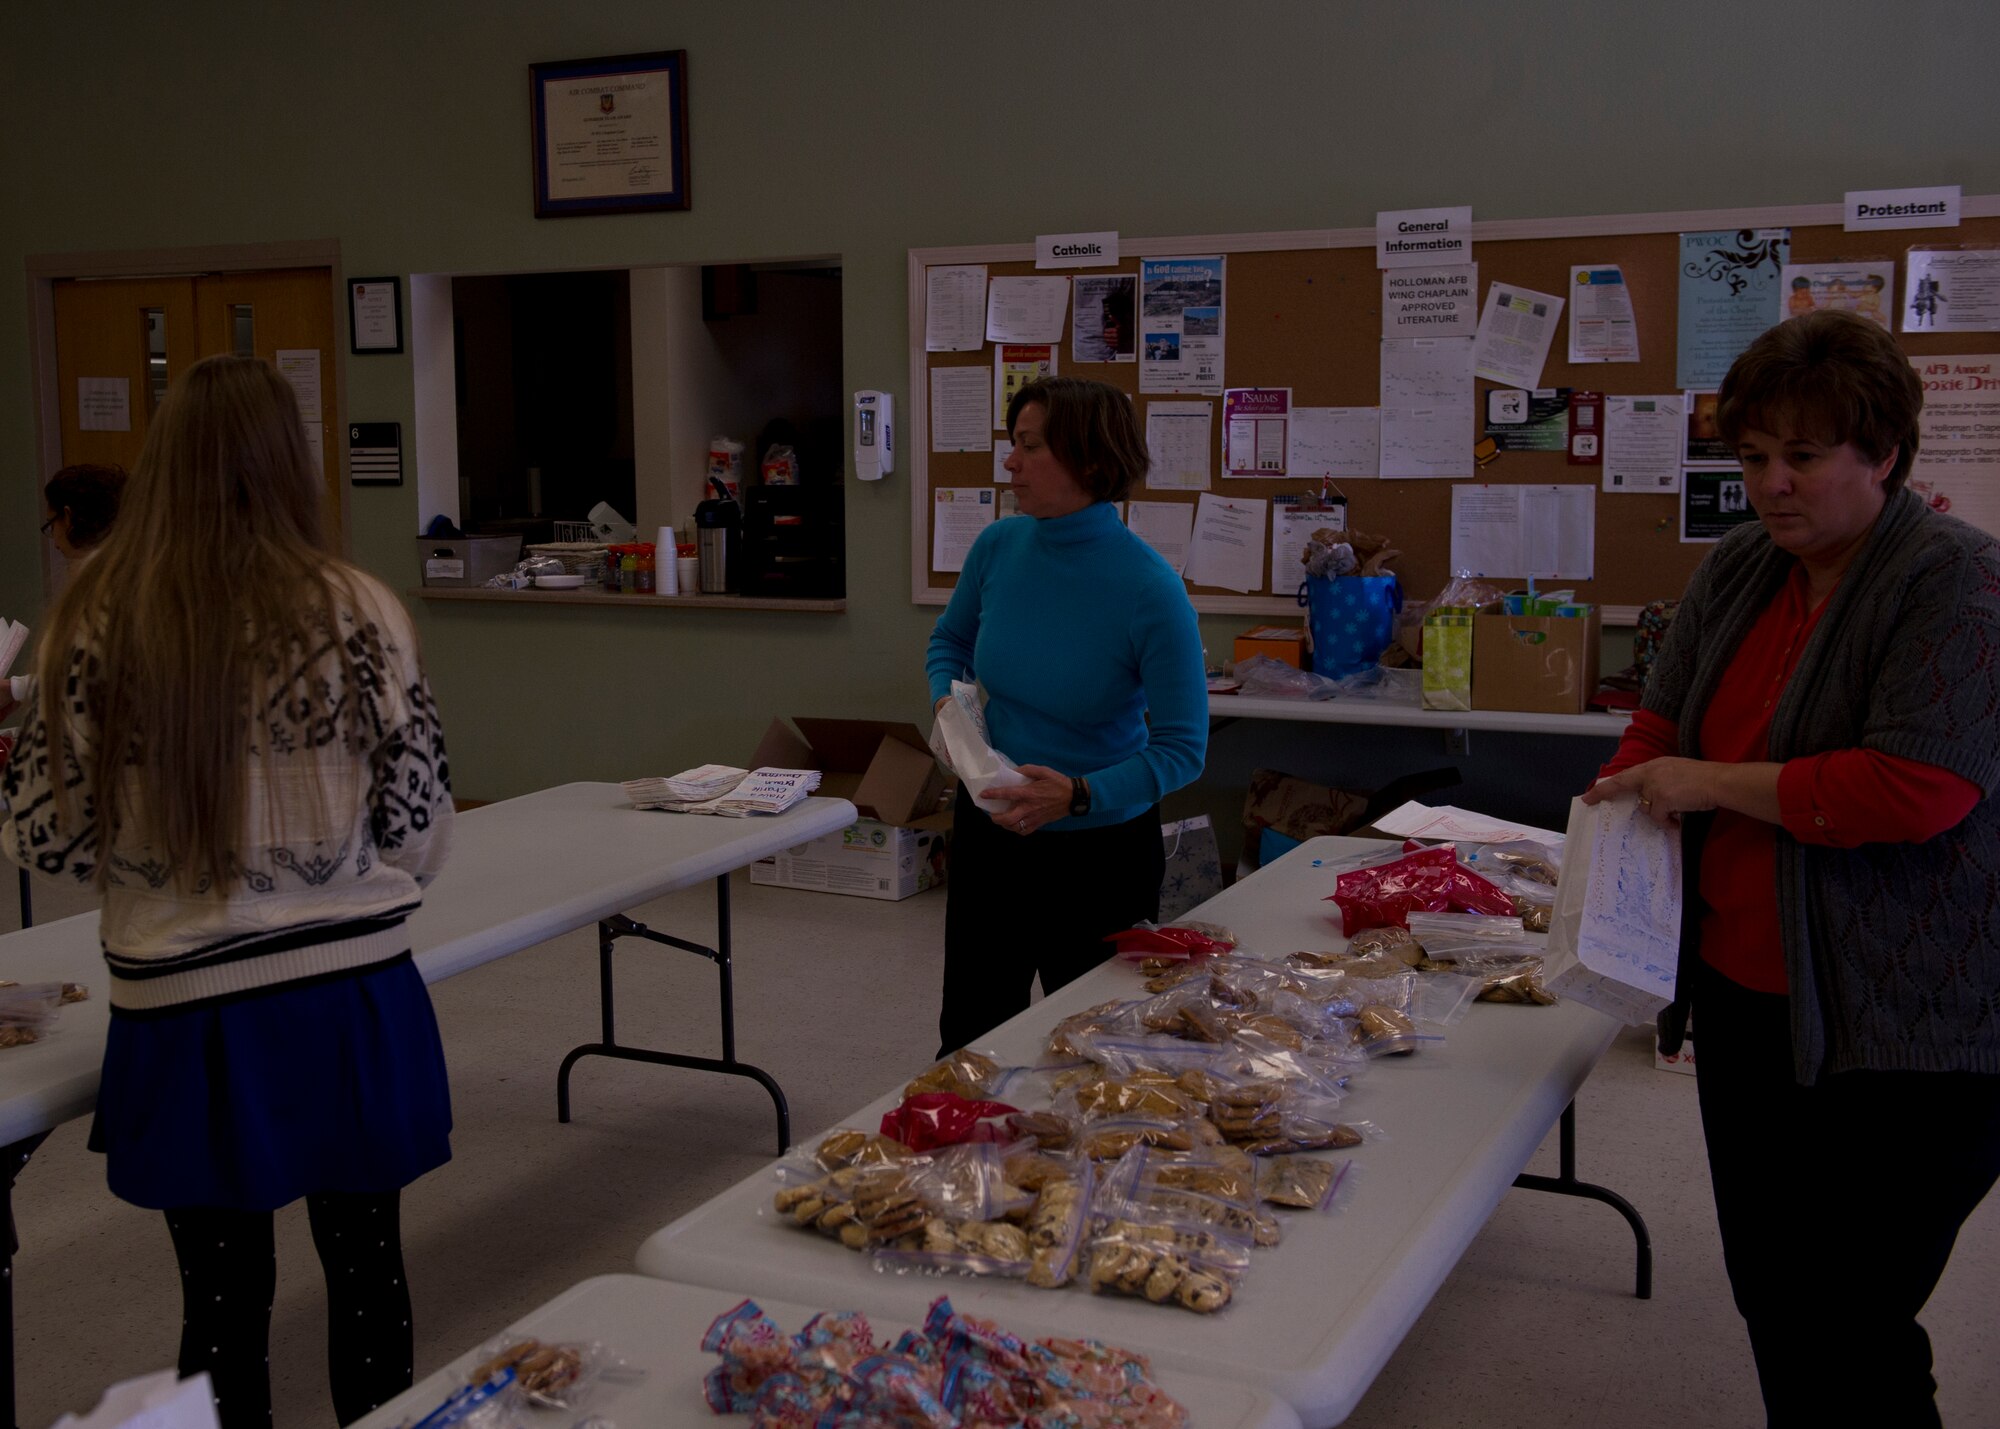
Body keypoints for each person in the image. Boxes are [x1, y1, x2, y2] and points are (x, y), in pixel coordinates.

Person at [0, 355, 455, 1428]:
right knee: (370, 1280)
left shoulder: (89, 618)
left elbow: (40, 841)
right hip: (346, 994)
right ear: (290, 462)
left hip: (185, 1014)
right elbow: (421, 825)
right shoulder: (361, 610)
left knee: (220, 1302)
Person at [1581, 309, 2000, 1427]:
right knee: (1775, 1295)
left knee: (1850, 1314)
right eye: (1752, 456)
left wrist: (1711, 783)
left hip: (1911, 1030)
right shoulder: (1738, 568)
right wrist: (1617, 803)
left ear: (1884, 454)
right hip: (1748, 1004)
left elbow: (1917, 786)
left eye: (1802, 457)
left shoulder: (1954, 582)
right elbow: (1657, 722)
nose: (1771, 484)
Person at [925, 377, 1205, 1056]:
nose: (1011, 463)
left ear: (1090, 461)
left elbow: (1181, 748)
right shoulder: (999, 547)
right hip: (993, 831)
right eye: (1012, 444)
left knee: (1095, 1051)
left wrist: (1078, 794)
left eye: (1029, 446)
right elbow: (950, 643)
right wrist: (952, 712)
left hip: (1097, 849)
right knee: (971, 1036)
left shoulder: (1150, 588)